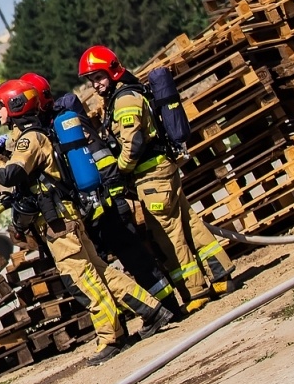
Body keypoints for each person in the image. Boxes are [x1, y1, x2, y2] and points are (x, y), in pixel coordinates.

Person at [0, 78, 172, 365]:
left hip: (59, 225)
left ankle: (111, 336)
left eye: (1, 106)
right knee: (100, 272)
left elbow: (10, 175)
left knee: (81, 280)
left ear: (15, 105)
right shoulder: (31, 136)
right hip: (66, 217)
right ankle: (153, 311)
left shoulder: (32, 139)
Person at [78, 45, 236, 313]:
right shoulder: (125, 94)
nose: (95, 85)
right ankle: (221, 275)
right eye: (91, 80)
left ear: (113, 71)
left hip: (151, 176)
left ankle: (196, 291)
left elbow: (133, 143)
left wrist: (120, 170)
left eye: (99, 77)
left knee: (168, 234)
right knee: (188, 222)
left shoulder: (125, 100)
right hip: (162, 170)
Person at [20, 72, 183, 317]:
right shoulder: (64, 122)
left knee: (124, 262)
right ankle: (164, 308)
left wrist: (112, 194)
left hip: (102, 206)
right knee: (133, 260)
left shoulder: (58, 127)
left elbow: (99, 159)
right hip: (101, 203)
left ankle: (163, 310)